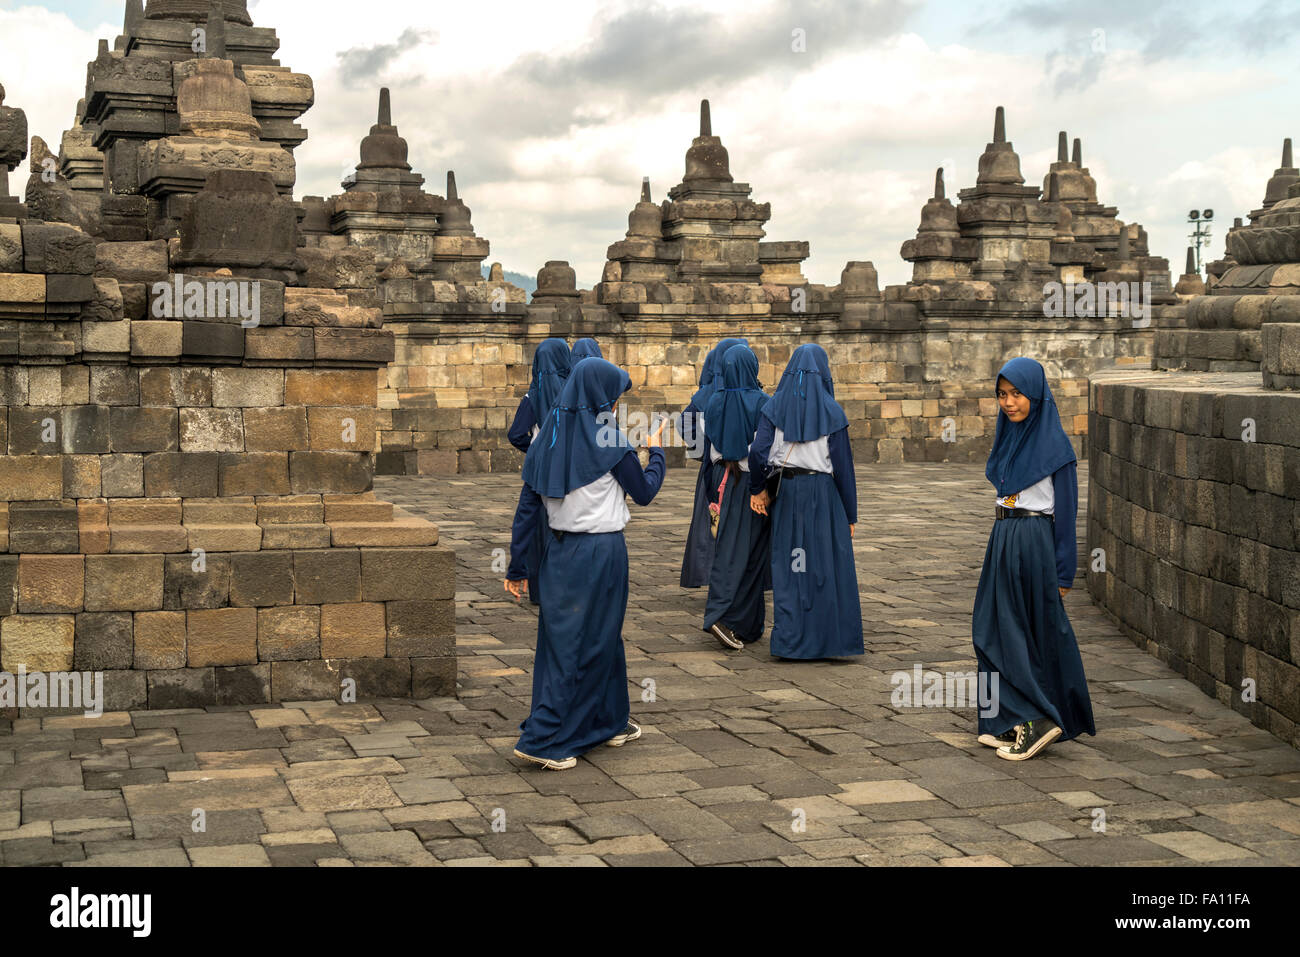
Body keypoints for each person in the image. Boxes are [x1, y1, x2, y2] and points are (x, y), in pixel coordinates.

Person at [504, 358, 667, 770]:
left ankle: (608, 720)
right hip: (602, 552)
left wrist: (517, 566)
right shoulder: (610, 441)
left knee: (586, 638)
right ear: (602, 397)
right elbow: (644, 492)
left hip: (557, 553)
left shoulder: (547, 438)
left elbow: (527, 510)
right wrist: (657, 451)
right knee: (584, 642)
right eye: (613, 398)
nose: (615, 406)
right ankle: (547, 739)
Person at [973, 357, 1096, 761]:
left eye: (1017, 395)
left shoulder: (1056, 448)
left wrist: (1064, 572)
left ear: (1037, 395)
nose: (1009, 403)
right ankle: (1007, 719)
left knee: (1013, 633)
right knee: (991, 628)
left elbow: (1066, 515)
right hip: (1003, 535)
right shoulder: (1008, 439)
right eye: (1002, 395)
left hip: (1031, 541)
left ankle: (1036, 718)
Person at [749, 344, 863, 659]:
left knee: (790, 566)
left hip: (788, 492)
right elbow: (844, 469)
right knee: (824, 567)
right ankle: (828, 642)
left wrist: (758, 489)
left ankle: (790, 641)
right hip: (825, 495)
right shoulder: (833, 411)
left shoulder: (773, 408)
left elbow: (758, 452)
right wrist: (849, 513)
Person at [702, 344, 771, 650]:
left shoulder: (714, 401)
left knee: (728, 548)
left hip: (721, 478)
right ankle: (720, 616)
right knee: (749, 552)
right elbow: (764, 449)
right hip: (752, 484)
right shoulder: (762, 402)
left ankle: (746, 622)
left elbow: (706, 449)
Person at [506, 338, 572, 605]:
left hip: (540, 469)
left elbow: (516, 434)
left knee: (534, 524)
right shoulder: (574, 392)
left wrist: (535, 450)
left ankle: (538, 587)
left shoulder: (534, 394)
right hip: (570, 470)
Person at [680, 337, 747, 588]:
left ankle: (708, 574)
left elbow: (685, 422)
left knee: (710, 523)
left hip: (714, 468)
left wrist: (704, 450)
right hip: (744, 469)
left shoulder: (707, 393)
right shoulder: (753, 391)